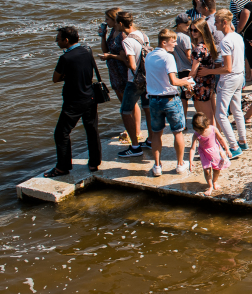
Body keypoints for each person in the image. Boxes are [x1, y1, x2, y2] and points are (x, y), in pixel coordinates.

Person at [48, 26, 101, 177]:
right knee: (92, 130)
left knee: (61, 133)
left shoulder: (65, 58)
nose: (56, 41)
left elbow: (55, 78)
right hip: (90, 97)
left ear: (66, 40)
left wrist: (68, 75)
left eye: (58, 38)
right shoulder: (87, 51)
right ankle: (94, 163)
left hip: (74, 101)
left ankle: (62, 167)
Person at [196, 8, 247, 158]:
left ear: (224, 22)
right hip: (239, 76)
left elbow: (227, 68)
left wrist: (208, 72)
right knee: (237, 110)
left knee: (220, 115)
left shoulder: (225, 41)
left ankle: (234, 146)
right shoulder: (237, 37)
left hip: (229, 80)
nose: (215, 25)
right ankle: (242, 140)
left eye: (217, 22)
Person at [144, 28, 195, 176]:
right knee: (177, 132)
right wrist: (185, 82)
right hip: (170, 99)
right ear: (164, 42)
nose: (174, 45)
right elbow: (173, 81)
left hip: (154, 99)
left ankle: (157, 166)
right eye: (173, 42)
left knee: (156, 134)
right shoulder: (168, 57)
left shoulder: (149, 56)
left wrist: (181, 81)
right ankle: (180, 164)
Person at [99, 11, 150, 158]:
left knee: (125, 111)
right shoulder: (143, 35)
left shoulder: (126, 40)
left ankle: (135, 146)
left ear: (120, 23)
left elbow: (132, 65)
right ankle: (151, 140)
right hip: (146, 77)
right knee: (147, 108)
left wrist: (119, 57)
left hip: (133, 80)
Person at [189, 111, 229, 194]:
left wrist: (227, 149)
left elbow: (221, 139)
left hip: (215, 151)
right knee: (207, 170)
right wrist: (190, 161)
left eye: (201, 130)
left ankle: (214, 181)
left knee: (217, 169)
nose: (199, 132)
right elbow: (192, 149)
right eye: (197, 130)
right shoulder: (196, 134)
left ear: (206, 125)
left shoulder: (213, 129)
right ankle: (210, 186)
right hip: (204, 153)